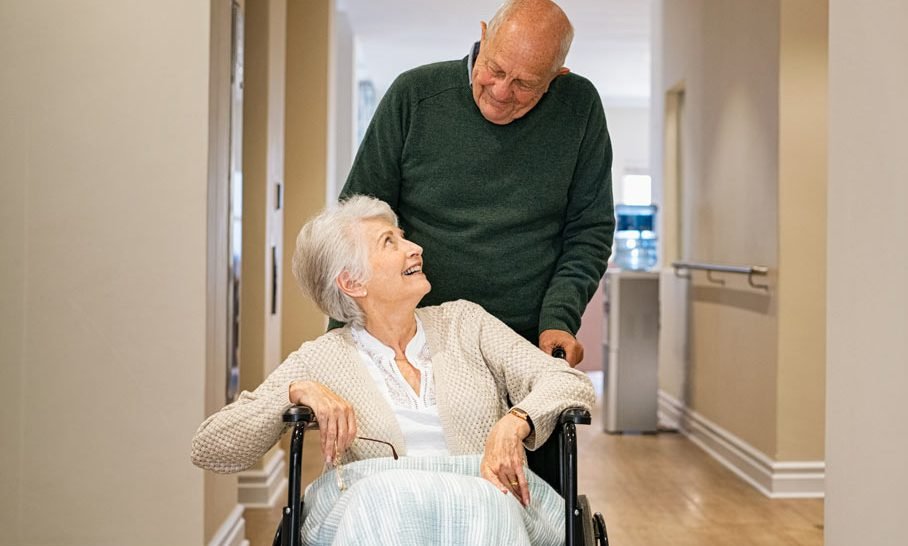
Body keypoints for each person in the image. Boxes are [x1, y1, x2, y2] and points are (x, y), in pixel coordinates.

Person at [192, 196, 596, 545]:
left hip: (483, 497)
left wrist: (515, 421)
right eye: (390, 242)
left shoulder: (465, 323)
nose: (415, 248)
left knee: (488, 500)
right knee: (384, 497)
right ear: (352, 282)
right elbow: (210, 447)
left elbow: (567, 381)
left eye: (403, 237)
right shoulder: (322, 357)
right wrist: (295, 391)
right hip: (371, 503)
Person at [338, 0, 614, 367]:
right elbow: (356, 224)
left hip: (522, 341)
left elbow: (590, 231)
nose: (500, 92)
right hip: (412, 338)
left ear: (556, 76)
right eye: (495, 69)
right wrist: (341, 339)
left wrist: (558, 319)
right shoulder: (414, 96)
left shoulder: (579, 107)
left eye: (525, 84)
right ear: (483, 36)